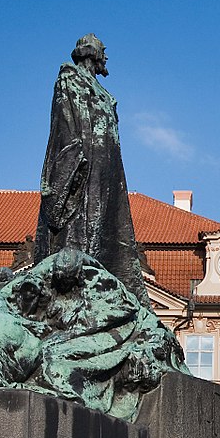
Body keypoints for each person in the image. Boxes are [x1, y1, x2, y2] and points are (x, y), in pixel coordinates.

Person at [34, 34, 149, 305]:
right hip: (84, 159)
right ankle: (73, 276)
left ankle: (106, 277)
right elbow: (64, 122)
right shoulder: (69, 79)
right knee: (79, 221)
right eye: (103, 52)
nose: (106, 58)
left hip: (107, 165)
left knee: (109, 222)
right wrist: (75, 159)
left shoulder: (100, 89)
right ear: (91, 53)